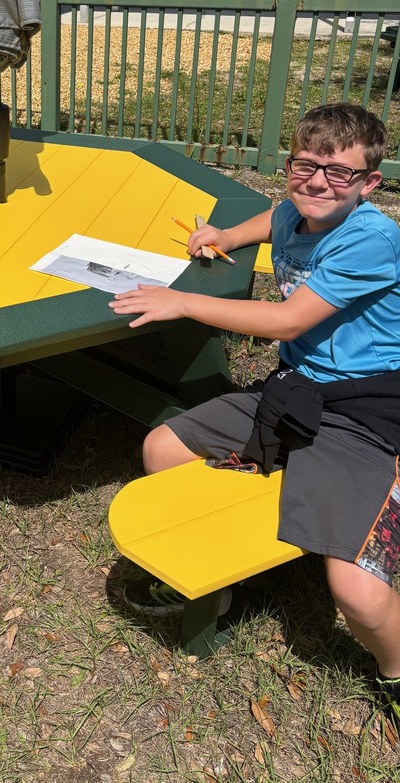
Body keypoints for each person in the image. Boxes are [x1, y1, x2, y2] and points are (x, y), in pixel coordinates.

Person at [110, 103, 400, 726]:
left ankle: (397, 672)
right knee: (163, 448)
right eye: (305, 166)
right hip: (296, 389)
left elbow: (287, 321)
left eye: (340, 172)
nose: (317, 182)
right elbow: (276, 217)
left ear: (370, 182)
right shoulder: (300, 208)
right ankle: (228, 575)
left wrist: (183, 302)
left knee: (357, 592)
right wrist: (227, 235)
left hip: (365, 413)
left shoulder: (372, 239)